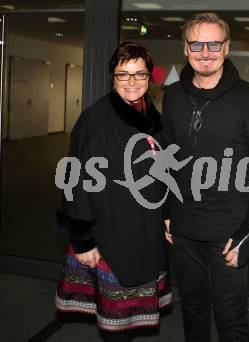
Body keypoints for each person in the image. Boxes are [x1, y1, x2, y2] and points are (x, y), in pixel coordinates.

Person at [161, 12, 249, 342]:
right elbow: (168, 158)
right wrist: (167, 212)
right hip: (185, 227)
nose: (205, 51)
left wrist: (247, 235)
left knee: (230, 316)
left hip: (230, 229)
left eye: (213, 43)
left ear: (226, 48)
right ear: (185, 47)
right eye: (196, 43)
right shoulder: (172, 96)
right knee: (193, 308)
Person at [55, 42, 171, 342]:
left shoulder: (152, 119)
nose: (132, 82)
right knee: (115, 326)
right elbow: (76, 182)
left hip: (143, 232)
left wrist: (167, 216)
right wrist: (83, 241)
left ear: (149, 78)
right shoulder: (96, 120)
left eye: (139, 74)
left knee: (130, 322)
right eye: (123, 74)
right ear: (112, 77)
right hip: (109, 236)